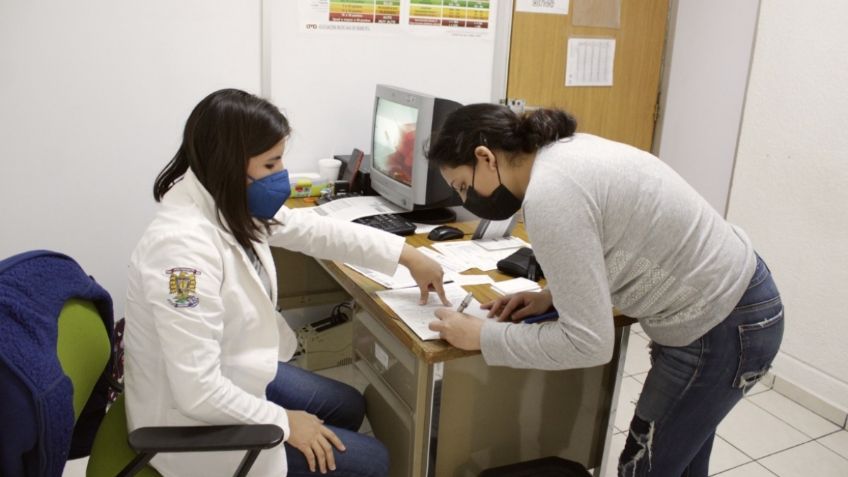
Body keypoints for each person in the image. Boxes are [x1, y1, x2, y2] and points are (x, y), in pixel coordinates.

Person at [426, 103, 784, 476]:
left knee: (643, 467)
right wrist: (554, 296)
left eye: (464, 187)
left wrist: (483, 337)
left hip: (722, 323)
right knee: (680, 463)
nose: (468, 201)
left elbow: (588, 344)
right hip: (737, 299)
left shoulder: (550, 195)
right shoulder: (563, 154)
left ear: (485, 157)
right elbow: (623, 240)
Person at [123, 88, 450, 477]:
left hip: (234, 371)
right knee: (374, 461)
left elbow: (313, 231)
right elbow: (198, 392)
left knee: (348, 405)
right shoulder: (180, 251)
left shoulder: (226, 200)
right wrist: (284, 421)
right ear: (228, 165)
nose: (281, 175)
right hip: (193, 425)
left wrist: (407, 255)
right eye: (271, 163)